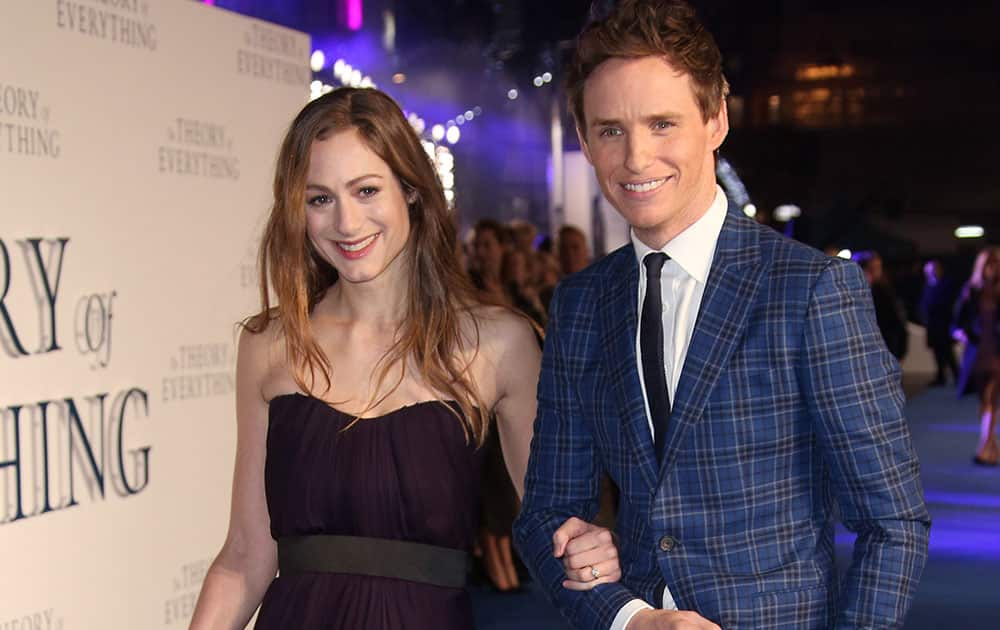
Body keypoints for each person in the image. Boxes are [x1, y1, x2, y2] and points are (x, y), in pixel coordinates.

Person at [513, 2, 930, 629]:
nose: (635, 158)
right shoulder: (580, 303)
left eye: (662, 124)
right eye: (611, 130)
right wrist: (629, 617)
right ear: (584, 138)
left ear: (715, 121)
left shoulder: (810, 290)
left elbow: (892, 521)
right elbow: (546, 512)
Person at [189, 87, 618, 629]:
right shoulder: (271, 343)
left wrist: (604, 567)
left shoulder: (498, 343)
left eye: (366, 190)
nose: (346, 223)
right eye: (320, 198)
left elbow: (560, 524)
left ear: (411, 191)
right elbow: (247, 553)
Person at [952, 247, 1000, 466]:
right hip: (977, 352)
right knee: (985, 401)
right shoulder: (971, 291)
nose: (993, 267)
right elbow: (957, 322)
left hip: (997, 352)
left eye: (996, 263)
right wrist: (963, 334)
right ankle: (991, 444)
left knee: (991, 397)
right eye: (989, 263)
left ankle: (984, 446)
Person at [853, 250, 909, 360]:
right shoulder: (854, 292)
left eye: (877, 267)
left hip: (884, 348)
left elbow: (897, 322)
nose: (877, 271)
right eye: (873, 268)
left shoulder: (884, 291)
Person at [919, 259, 959, 386]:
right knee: (937, 352)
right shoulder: (927, 286)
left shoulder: (947, 284)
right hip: (932, 325)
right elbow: (923, 304)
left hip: (943, 324)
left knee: (947, 351)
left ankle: (957, 374)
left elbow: (947, 303)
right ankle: (941, 375)